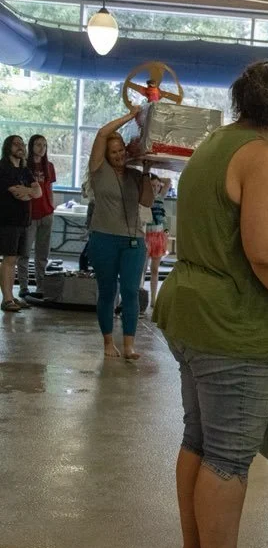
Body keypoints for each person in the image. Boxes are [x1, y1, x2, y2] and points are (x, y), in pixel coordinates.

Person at [153, 60, 268, 548]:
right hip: (233, 324)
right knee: (227, 455)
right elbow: (266, 251)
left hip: (192, 311)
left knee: (199, 440)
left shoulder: (214, 144)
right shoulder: (262, 158)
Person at [86, 107, 154, 359]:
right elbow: (103, 133)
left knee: (130, 290)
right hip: (103, 237)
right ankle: (107, 343)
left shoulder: (134, 175)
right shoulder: (98, 170)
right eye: (113, 152)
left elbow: (146, 202)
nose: (118, 155)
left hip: (133, 240)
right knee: (107, 291)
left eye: (121, 151)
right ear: (105, 154)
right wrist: (132, 115)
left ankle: (129, 345)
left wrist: (146, 172)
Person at [1, 135, 42, 312]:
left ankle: (11, 296)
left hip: (23, 221)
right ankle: (7, 299)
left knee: (15, 259)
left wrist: (29, 191)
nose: (21, 147)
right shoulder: (3, 168)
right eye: (16, 144)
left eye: (22, 144)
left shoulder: (25, 170)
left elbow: (38, 192)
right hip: (8, 221)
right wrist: (29, 191)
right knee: (8, 259)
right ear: (7, 147)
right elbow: (17, 193)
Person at [17, 134, 56, 299]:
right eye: (38, 144)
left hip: (47, 214)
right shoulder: (24, 166)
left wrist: (51, 208)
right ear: (32, 146)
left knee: (42, 254)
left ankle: (41, 287)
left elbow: (49, 189)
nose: (42, 148)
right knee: (25, 252)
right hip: (30, 215)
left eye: (45, 145)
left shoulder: (49, 166)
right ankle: (24, 287)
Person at [145, 173, 172, 308]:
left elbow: (168, 181)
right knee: (143, 268)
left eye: (157, 186)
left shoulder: (160, 197)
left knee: (155, 269)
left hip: (158, 235)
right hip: (146, 235)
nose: (155, 188)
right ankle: (140, 296)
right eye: (152, 185)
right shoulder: (144, 197)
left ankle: (153, 298)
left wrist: (158, 180)